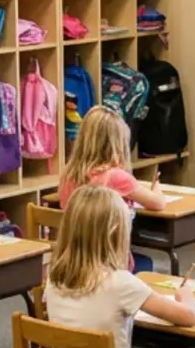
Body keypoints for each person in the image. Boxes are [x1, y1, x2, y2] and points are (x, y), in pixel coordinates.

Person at [45, 186, 195, 348]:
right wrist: (186, 296)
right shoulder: (121, 283)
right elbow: (188, 316)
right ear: (115, 232)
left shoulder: (54, 278)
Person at [59, 108, 164, 273]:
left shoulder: (69, 174)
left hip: (75, 263)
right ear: (118, 144)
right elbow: (157, 203)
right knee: (146, 263)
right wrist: (156, 186)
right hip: (111, 264)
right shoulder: (116, 177)